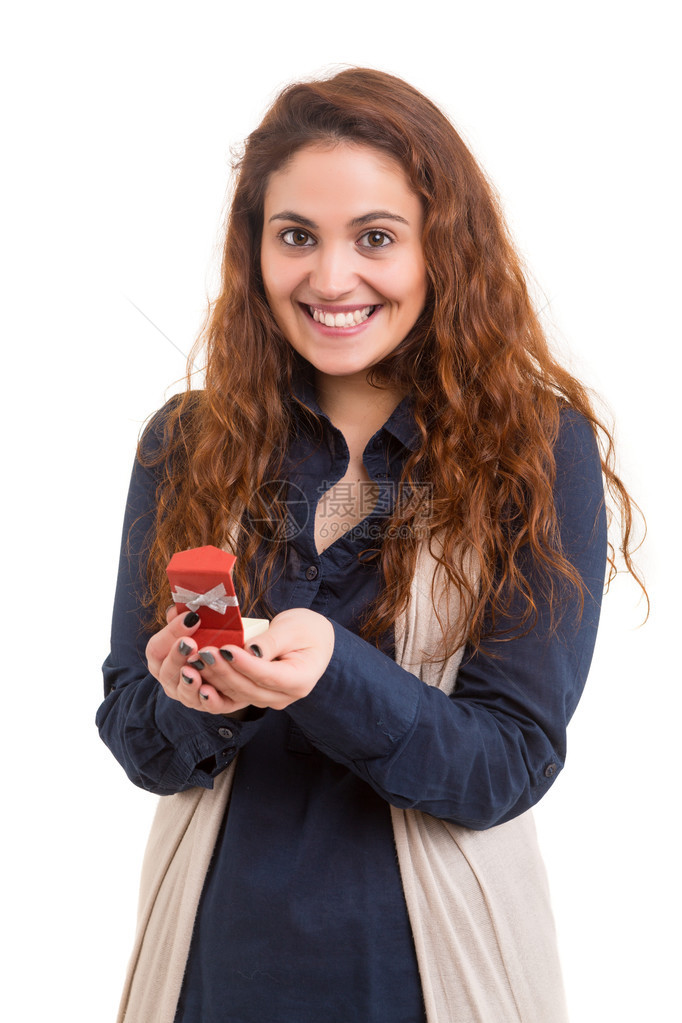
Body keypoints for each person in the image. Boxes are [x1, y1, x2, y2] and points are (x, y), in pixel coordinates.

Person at [97, 68, 645, 1023]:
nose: (331, 277)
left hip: (433, 979)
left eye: (376, 238)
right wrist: (196, 698)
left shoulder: (532, 449)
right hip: (212, 971)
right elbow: (138, 735)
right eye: (296, 235)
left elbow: (508, 761)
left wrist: (330, 674)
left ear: (443, 249)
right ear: (255, 247)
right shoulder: (186, 442)